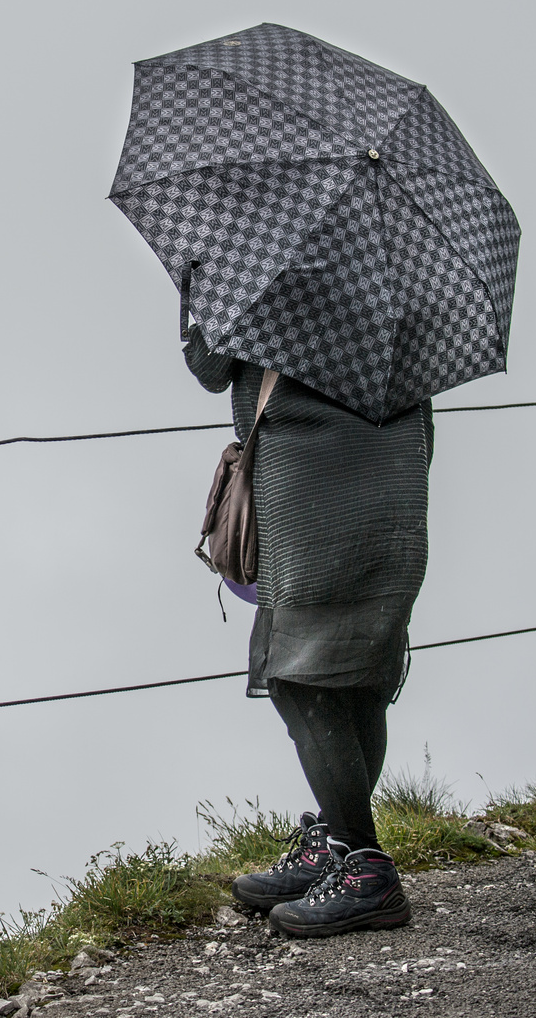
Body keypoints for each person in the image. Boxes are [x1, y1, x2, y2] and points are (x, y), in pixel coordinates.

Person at [183, 323, 433, 938]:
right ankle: (336, 848)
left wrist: (197, 285)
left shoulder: (270, 267)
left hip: (311, 504)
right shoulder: (397, 269)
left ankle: (364, 867)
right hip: (394, 495)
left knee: (297, 675)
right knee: (359, 674)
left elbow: (210, 365)